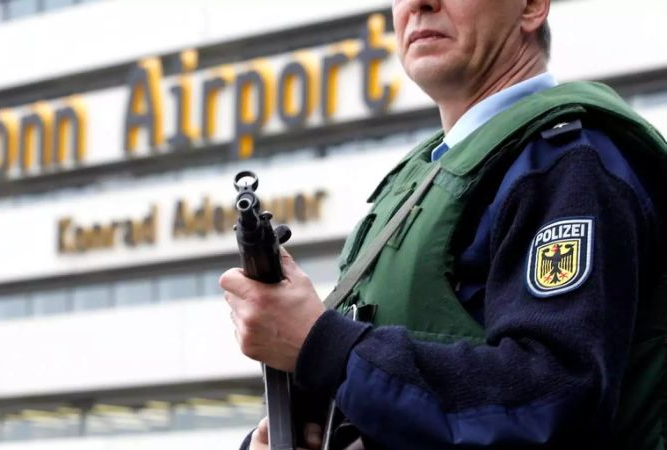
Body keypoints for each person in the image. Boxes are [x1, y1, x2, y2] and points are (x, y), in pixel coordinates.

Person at [220, 0, 667, 449]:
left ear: (531, 7)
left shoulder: (566, 163)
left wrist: (325, 347)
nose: (419, 4)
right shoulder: (423, 178)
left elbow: (551, 402)